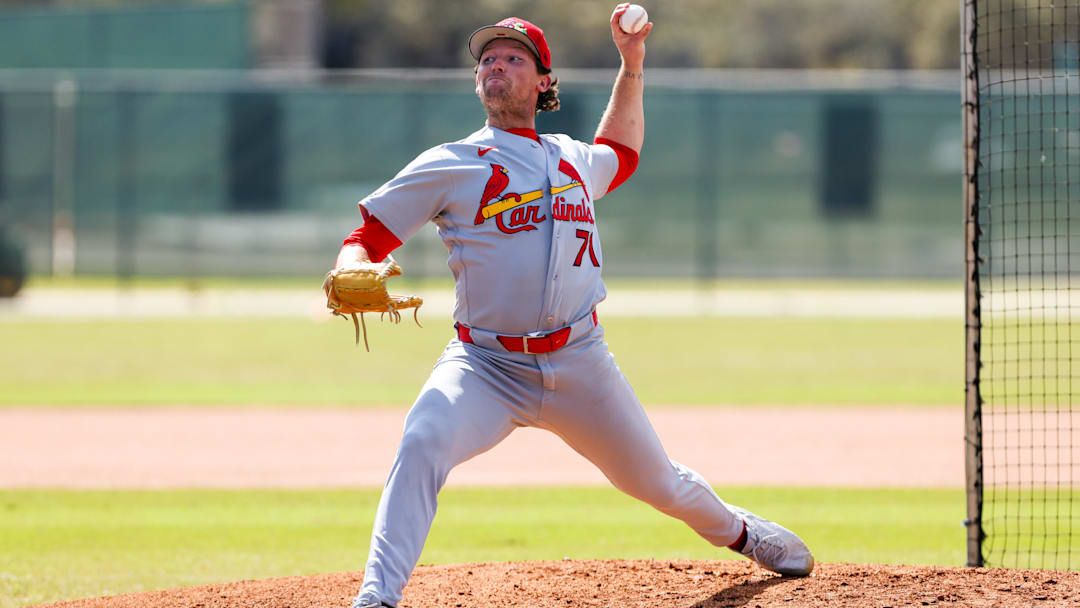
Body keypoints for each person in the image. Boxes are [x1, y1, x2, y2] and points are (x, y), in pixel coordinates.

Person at [335, 7, 814, 608]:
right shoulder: (452, 162)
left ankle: (744, 534)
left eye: (513, 58)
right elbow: (368, 234)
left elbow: (622, 149)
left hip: (580, 359)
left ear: (543, 83)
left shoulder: (572, 159)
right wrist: (353, 265)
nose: (495, 65)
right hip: (484, 365)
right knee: (423, 441)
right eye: (487, 59)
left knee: (657, 482)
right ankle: (376, 598)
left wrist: (632, 64)